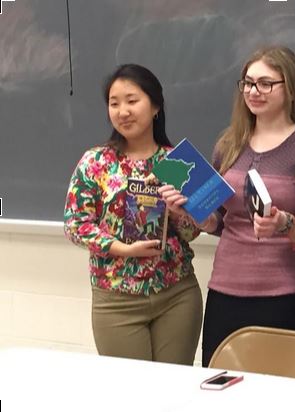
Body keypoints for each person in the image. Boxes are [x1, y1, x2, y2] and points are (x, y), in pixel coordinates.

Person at [159, 46, 295, 367]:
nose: (253, 91)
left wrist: (284, 223)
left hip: (282, 293)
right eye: (247, 83)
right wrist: (194, 213)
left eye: (265, 83)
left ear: (290, 88)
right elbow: (220, 223)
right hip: (225, 289)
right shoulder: (228, 144)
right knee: (219, 386)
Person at [64, 64, 203, 364]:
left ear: (155, 106)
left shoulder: (177, 161)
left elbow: (194, 232)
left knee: (175, 391)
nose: (122, 111)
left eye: (132, 100)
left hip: (176, 293)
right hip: (116, 300)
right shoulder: (96, 162)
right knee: (130, 396)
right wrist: (124, 249)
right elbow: (76, 225)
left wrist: (179, 212)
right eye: (114, 103)